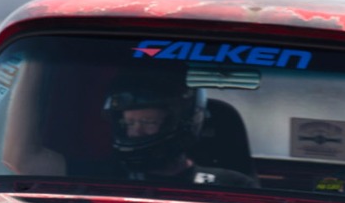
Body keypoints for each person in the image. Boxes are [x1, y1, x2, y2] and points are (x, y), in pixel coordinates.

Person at [102, 73, 256, 187]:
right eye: (129, 123)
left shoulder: (231, 184)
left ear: (178, 123)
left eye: (148, 122)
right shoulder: (104, 181)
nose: (137, 132)